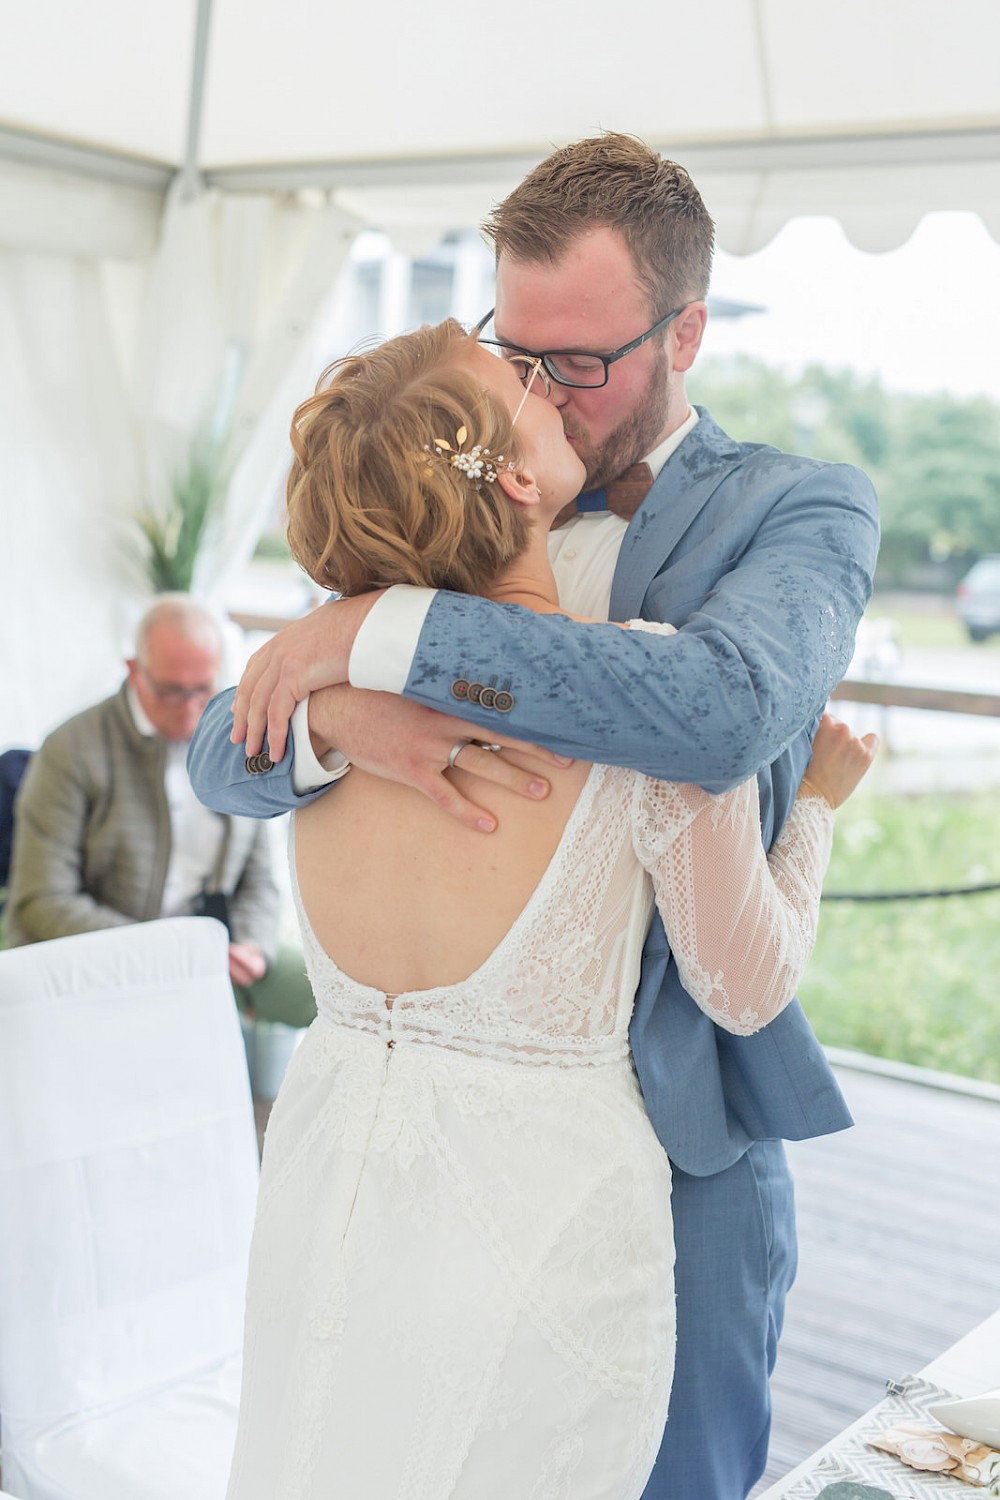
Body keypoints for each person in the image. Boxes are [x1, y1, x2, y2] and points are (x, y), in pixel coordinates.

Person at [189, 134, 880, 1499]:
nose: (546, 387)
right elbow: (226, 752)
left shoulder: (799, 507)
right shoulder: (464, 497)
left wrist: (382, 629)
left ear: (687, 327)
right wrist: (336, 719)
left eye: (587, 360)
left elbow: (721, 706)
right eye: (521, 349)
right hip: (398, 1159)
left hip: (671, 1152)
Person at [6, 595, 312, 1027]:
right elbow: (42, 900)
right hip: (107, 953)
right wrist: (164, 953)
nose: (190, 707)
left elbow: (259, 881)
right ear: (135, 671)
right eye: (171, 691)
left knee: (329, 998)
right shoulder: (72, 749)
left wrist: (253, 948)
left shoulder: (238, 736)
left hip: (211, 950)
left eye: (203, 688)